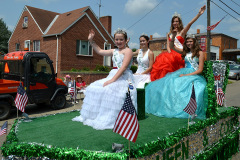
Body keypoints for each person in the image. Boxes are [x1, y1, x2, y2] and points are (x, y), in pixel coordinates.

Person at [72, 29, 137, 130]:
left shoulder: (128, 51)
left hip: (123, 77)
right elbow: (99, 51)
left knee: (110, 90)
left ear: (125, 40)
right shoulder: (114, 51)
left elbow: (123, 67)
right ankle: (93, 116)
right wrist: (91, 40)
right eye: (116, 39)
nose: (119, 41)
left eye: (121, 39)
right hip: (112, 74)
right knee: (94, 87)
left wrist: (112, 81)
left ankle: (112, 117)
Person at [145, 34, 207, 119]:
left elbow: (200, 70)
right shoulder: (185, 52)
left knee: (194, 87)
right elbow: (172, 47)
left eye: (191, 41)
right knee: (170, 82)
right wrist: (173, 36)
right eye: (187, 41)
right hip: (183, 71)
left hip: (194, 74)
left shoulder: (200, 53)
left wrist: (186, 75)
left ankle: (188, 109)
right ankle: (171, 106)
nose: (189, 43)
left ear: (194, 42)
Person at [150, 5, 206, 81]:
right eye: (173, 21)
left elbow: (189, 24)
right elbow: (169, 46)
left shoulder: (182, 32)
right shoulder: (169, 34)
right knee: (164, 66)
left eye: (176, 21)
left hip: (181, 53)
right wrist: (170, 54)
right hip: (170, 54)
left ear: (179, 22)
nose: (175, 23)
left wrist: (199, 14)